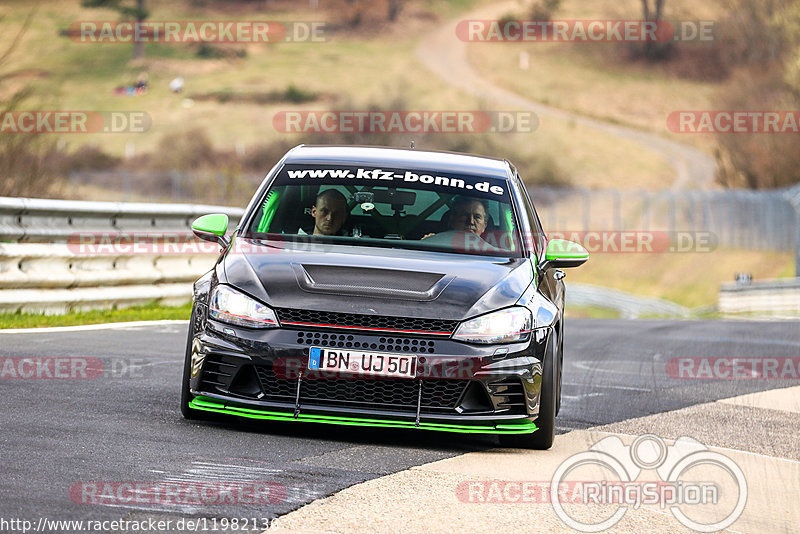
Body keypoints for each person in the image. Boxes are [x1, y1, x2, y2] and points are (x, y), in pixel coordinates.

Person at [422, 196, 489, 239]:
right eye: (465, 215)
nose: (471, 221)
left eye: (477, 217)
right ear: (452, 220)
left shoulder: (492, 254)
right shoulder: (433, 244)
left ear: (484, 226)